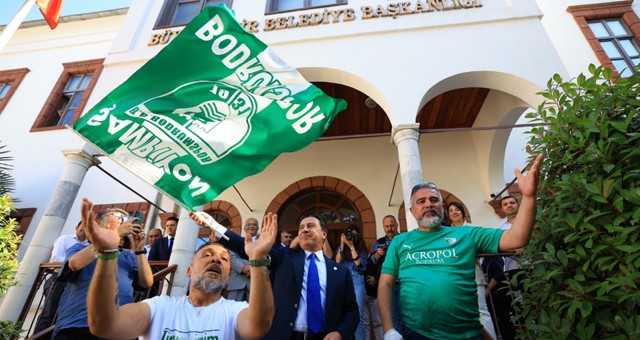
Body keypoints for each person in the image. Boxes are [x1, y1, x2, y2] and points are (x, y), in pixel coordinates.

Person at [378, 154, 542, 340]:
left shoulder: (466, 234)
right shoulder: (400, 242)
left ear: (442, 206)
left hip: (467, 333)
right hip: (417, 333)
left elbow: (518, 238)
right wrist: (388, 330)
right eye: (421, 201)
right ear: (412, 211)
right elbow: (385, 283)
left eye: (434, 200)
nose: (428, 204)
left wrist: (528, 197)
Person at [84, 201, 276, 340]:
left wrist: (257, 259)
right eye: (207, 254)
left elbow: (258, 326)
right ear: (189, 271)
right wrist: (108, 254)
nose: (216, 258)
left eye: (224, 259)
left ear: (227, 279)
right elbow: (105, 325)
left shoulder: (234, 311)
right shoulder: (159, 307)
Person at [190, 211, 359, 340]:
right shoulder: (284, 257)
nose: (304, 230)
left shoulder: (341, 272)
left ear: (324, 234)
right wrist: (214, 226)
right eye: (301, 227)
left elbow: (351, 311)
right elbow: (248, 247)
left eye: (310, 226)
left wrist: (341, 333)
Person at [53, 204, 153, 339]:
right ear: (99, 224)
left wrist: (139, 250)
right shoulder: (80, 247)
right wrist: (114, 235)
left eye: (124, 219)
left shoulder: (128, 255)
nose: (122, 222)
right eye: (117, 217)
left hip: (117, 327)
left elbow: (146, 282)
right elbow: (74, 264)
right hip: (78, 325)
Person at [448, 201, 497, 340]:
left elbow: (487, 244)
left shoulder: (473, 229)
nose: (454, 212)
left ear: (462, 212)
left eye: (457, 209)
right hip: (454, 279)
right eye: (451, 211)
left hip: (474, 276)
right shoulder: (446, 233)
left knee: (481, 312)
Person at [34, 221, 89, 333]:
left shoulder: (89, 246)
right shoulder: (65, 239)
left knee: (64, 313)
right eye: (82, 228)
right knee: (49, 312)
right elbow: (56, 258)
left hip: (75, 283)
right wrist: (76, 262)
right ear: (76, 227)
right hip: (58, 279)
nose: (84, 230)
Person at [335, 224, 368, 340]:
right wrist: (342, 244)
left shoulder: (361, 249)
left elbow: (360, 264)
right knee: (343, 314)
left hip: (356, 279)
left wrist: (352, 246)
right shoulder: (341, 248)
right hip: (343, 278)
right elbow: (337, 261)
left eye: (354, 235)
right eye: (349, 235)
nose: (351, 237)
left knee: (358, 316)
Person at [499, 196, 523, 285]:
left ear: (518, 205)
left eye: (512, 203)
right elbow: (500, 246)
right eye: (505, 204)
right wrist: (514, 248)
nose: (509, 205)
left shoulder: (528, 222)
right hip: (513, 267)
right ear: (502, 209)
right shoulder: (501, 230)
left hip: (533, 264)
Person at [364, 241, 386, 340]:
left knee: (378, 322)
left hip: (374, 294)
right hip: (364, 293)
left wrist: (375, 279)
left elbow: (381, 273)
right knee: (365, 322)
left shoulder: (378, 261)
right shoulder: (371, 259)